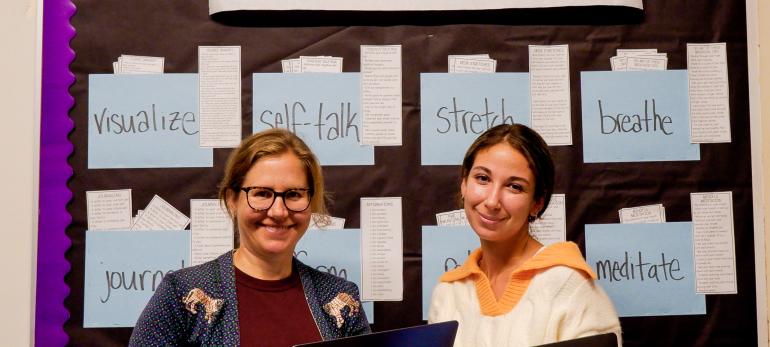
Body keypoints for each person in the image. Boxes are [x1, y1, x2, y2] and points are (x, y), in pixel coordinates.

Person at [130, 129, 370, 346]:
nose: (278, 211)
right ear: (232, 200)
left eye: (294, 194)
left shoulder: (340, 299)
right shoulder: (180, 294)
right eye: (262, 193)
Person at [428, 124, 621, 346]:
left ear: (537, 203)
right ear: (464, 183)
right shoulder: (447, 293)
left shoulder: (569, 285)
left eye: (514, 187)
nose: (492, 201)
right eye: (482, 178)